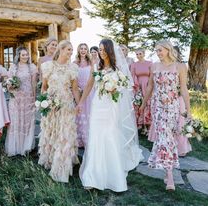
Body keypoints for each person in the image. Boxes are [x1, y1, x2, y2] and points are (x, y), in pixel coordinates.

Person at [77, 39, 142, 192]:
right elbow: (89, 85)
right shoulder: (96, 66)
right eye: (100, 49)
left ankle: (113, 175)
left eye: (104, 49)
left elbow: (125, 86)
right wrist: (80, 102)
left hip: (111, 107)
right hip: (97, 106)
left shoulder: (117, 67)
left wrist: (115, 89)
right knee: (96, 137)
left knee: (109, 136)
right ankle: (92, 176)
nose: (101, 52)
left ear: (110, 51)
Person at [140, 40, 191, 191]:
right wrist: (143, 104)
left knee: (169, 138)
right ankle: (169, 176)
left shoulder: (180, 66)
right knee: (165, 138)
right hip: (158, 108)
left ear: (168, 50)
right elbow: (150, 86)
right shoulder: (154, 66)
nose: (158, 53)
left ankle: (165, 166)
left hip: (173, 107)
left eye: (160, 50)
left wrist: (188, 109)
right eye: (156, 51)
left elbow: (183, 88)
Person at [38, 40, 80, 183]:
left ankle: (61, 167)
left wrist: (79, 104)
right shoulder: (48, 66)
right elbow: (44, 87)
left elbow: (74, 89)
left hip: (66, 105)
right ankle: (49, 161)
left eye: (72, 50)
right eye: (68, 49)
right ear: (61, 50)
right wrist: (44, 101)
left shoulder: (73, 68)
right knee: (52, 132)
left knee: (64, 135)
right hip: (51, 106)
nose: (71, 52)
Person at [5, 47, 38, 156]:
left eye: (26, 55)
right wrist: (10, 87)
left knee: (27, 121)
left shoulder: (32, 67)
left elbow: (33, 83)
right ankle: (15, 147)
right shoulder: (13, 67)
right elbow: (9, 81)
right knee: (16, 120)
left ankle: (26, 147)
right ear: (18, 56)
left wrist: (34, 97)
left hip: (27, 97)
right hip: (16, 97)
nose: (25, 57)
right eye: (23, 55)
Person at [74, 43, 93, 148]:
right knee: (80, 114)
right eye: (81, 48)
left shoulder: (91, 62)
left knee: (89, 113)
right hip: (79, 92)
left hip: (89, 92)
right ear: (78, 50)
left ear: (87, 51)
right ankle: (80, 140)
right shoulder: (75, 63)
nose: (83, 50)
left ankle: (89, 139)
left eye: (85, 49)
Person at [130, 48, 152, 133]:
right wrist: (136, 87)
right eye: (137, 54)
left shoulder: (149, 63)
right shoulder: (134, 65)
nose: (138, 56)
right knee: (139, 104)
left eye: (140, 54)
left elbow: (152, 75)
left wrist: (150, 85)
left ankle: (149, 125)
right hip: (138, 86)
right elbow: (132, 75)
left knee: (148, 103)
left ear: (144, 53)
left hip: (148, 85)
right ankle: (142, 125)